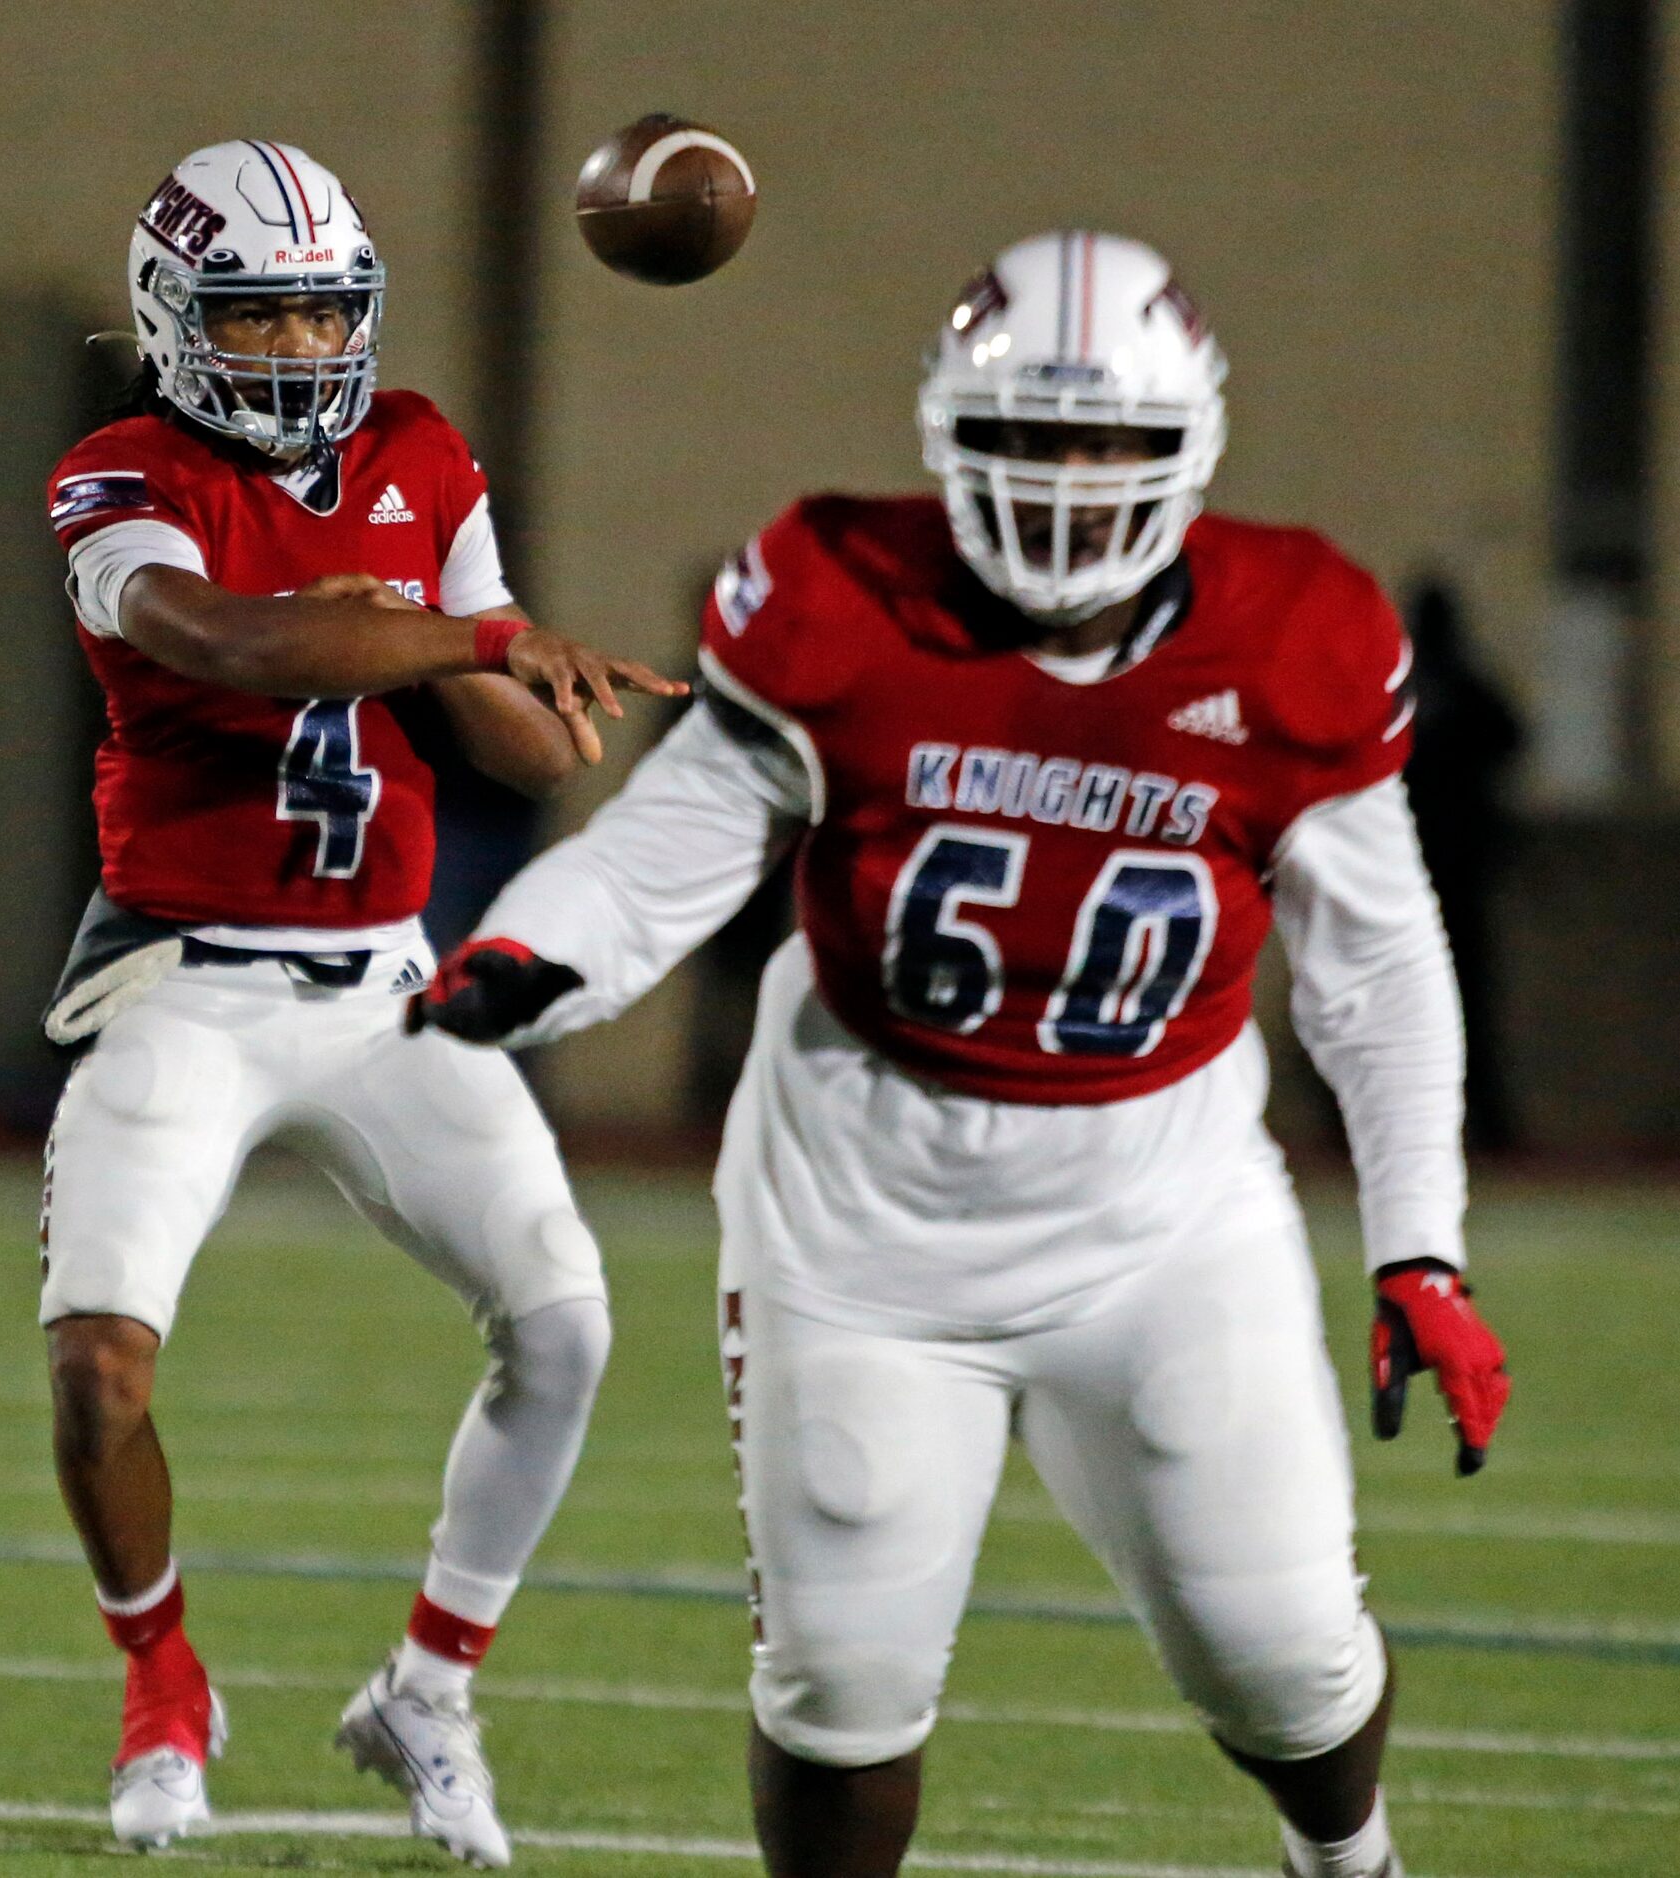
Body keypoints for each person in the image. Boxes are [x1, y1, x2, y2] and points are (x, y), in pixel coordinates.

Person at [411, 233, 1510, 1878]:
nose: (1067, 485)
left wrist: (1420, 1245)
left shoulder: (1296, 632)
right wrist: (527, 958)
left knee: (1280, 1651)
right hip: (862, 1212)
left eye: (1109, 446)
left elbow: (1377, 962)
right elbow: (672, 845)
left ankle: (1348, 1860)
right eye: (1028, 442)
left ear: (1190, 449)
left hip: (1158, 1210)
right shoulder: (841, 587)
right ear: (945, 438)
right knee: (840, 1677)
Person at [39, 140, 682, 1865]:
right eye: (263, 317)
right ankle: (162, 1679)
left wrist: (506, 667)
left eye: (327, 306)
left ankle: (427, 1688)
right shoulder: (116, 473)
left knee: (564, 1324)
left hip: (388, 980)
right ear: (180, 325)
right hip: (184, 977)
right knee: (98, 1368)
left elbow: (531, 749)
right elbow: (237, 644)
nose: (307, 344)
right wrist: (459, 637)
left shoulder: (415, 449)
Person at [1400, 578, 1524, 1153]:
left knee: (1400, 1003)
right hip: (1438, 874)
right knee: (1451, 1002)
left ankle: (1471, 1124)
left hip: (1413, 874)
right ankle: (1485, 1124)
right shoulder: (1446, 685)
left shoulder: (1401, 688)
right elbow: (1511, 738)